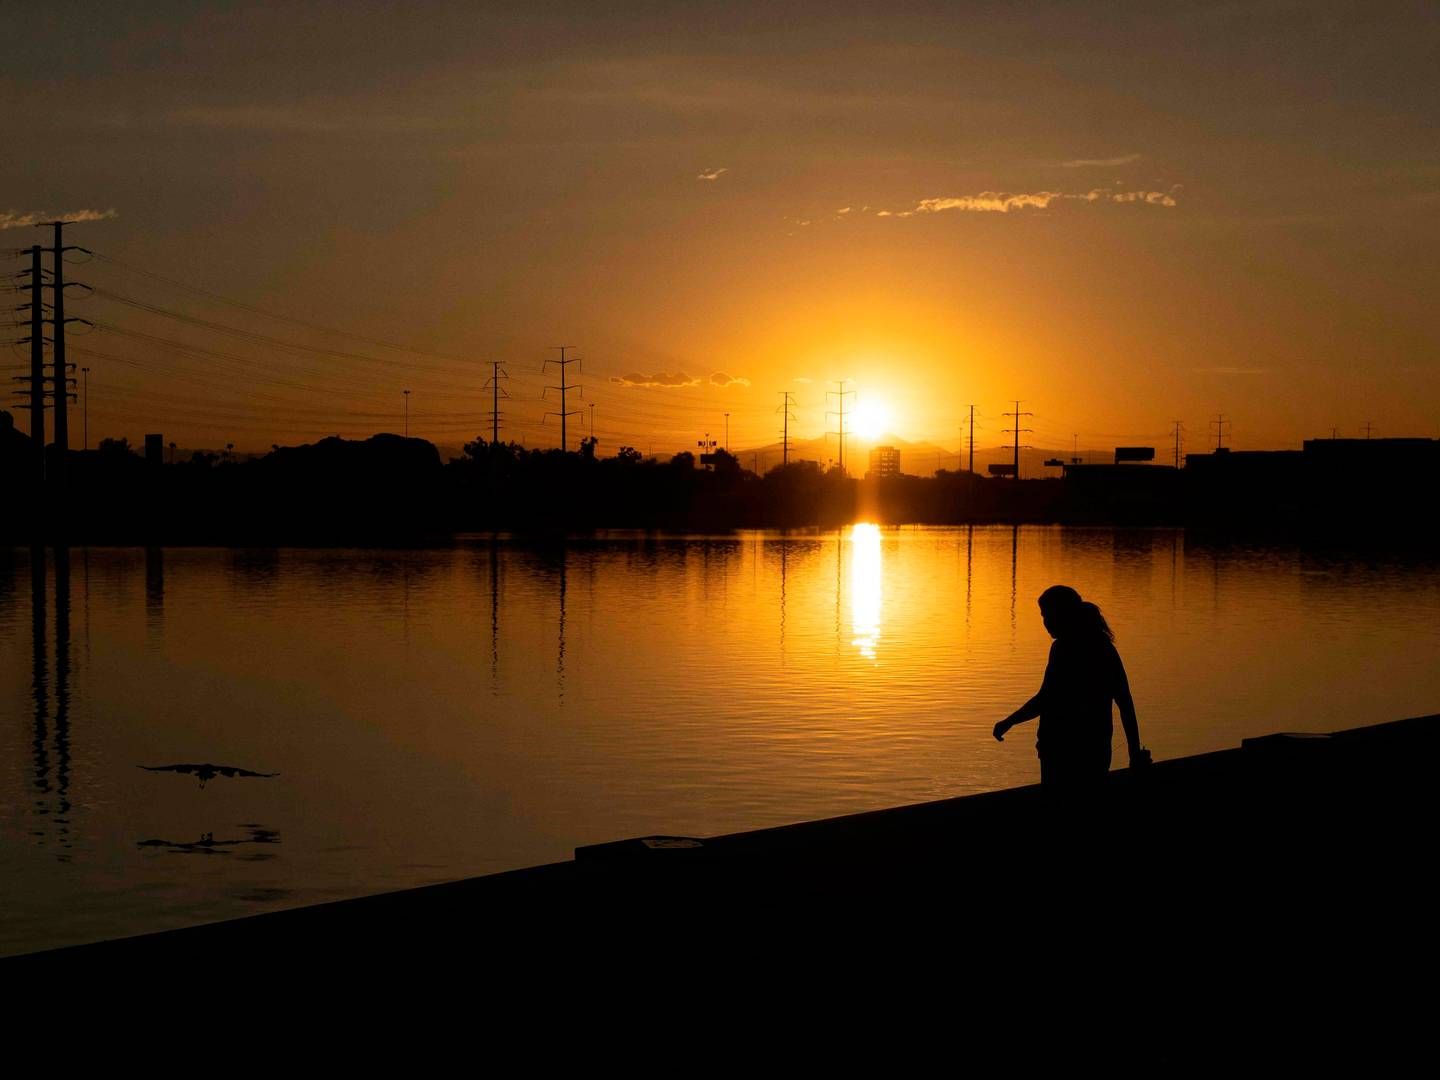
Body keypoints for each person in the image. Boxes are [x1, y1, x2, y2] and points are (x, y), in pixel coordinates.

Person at [993, 585, 1151, 787]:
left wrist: (1009, 721)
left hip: (1062, 751)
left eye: (1047, 615)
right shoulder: (1103, 648)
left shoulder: (1065, 649)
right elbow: (1125, 703)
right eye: (1043, 616)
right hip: (1093, 750)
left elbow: (1045, 699)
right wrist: (1134, 752)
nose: (1045, 623)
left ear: (1063, 614)